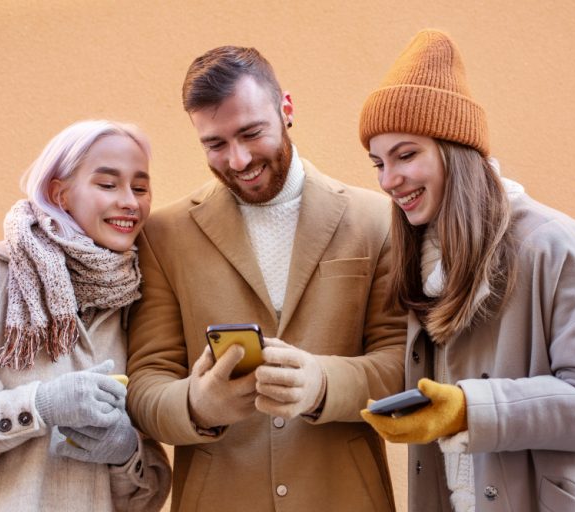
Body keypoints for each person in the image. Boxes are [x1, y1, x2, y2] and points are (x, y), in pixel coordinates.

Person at [358, 29, 575, 512]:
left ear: (456, 151)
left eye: (407, 155)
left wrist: (471, 409)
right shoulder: (423, 264)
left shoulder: (553, 245)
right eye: (378, 163)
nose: (389, 180)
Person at [126, 46, 406, 511]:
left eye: (251, 133)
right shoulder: (161, 235)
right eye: (215, 144)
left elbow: (403, 366)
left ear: (286, 109)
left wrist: (321, 384)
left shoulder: (377, 219)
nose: (237, 161)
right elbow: (145, 386)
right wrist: (197, 405)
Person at [0, 120, 171, 511]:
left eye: (139, 188)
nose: (130, 202)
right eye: (107, 184)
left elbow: (146, 497)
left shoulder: (133, 306)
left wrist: (124, 453)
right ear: (60, 194)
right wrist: (39, 406)